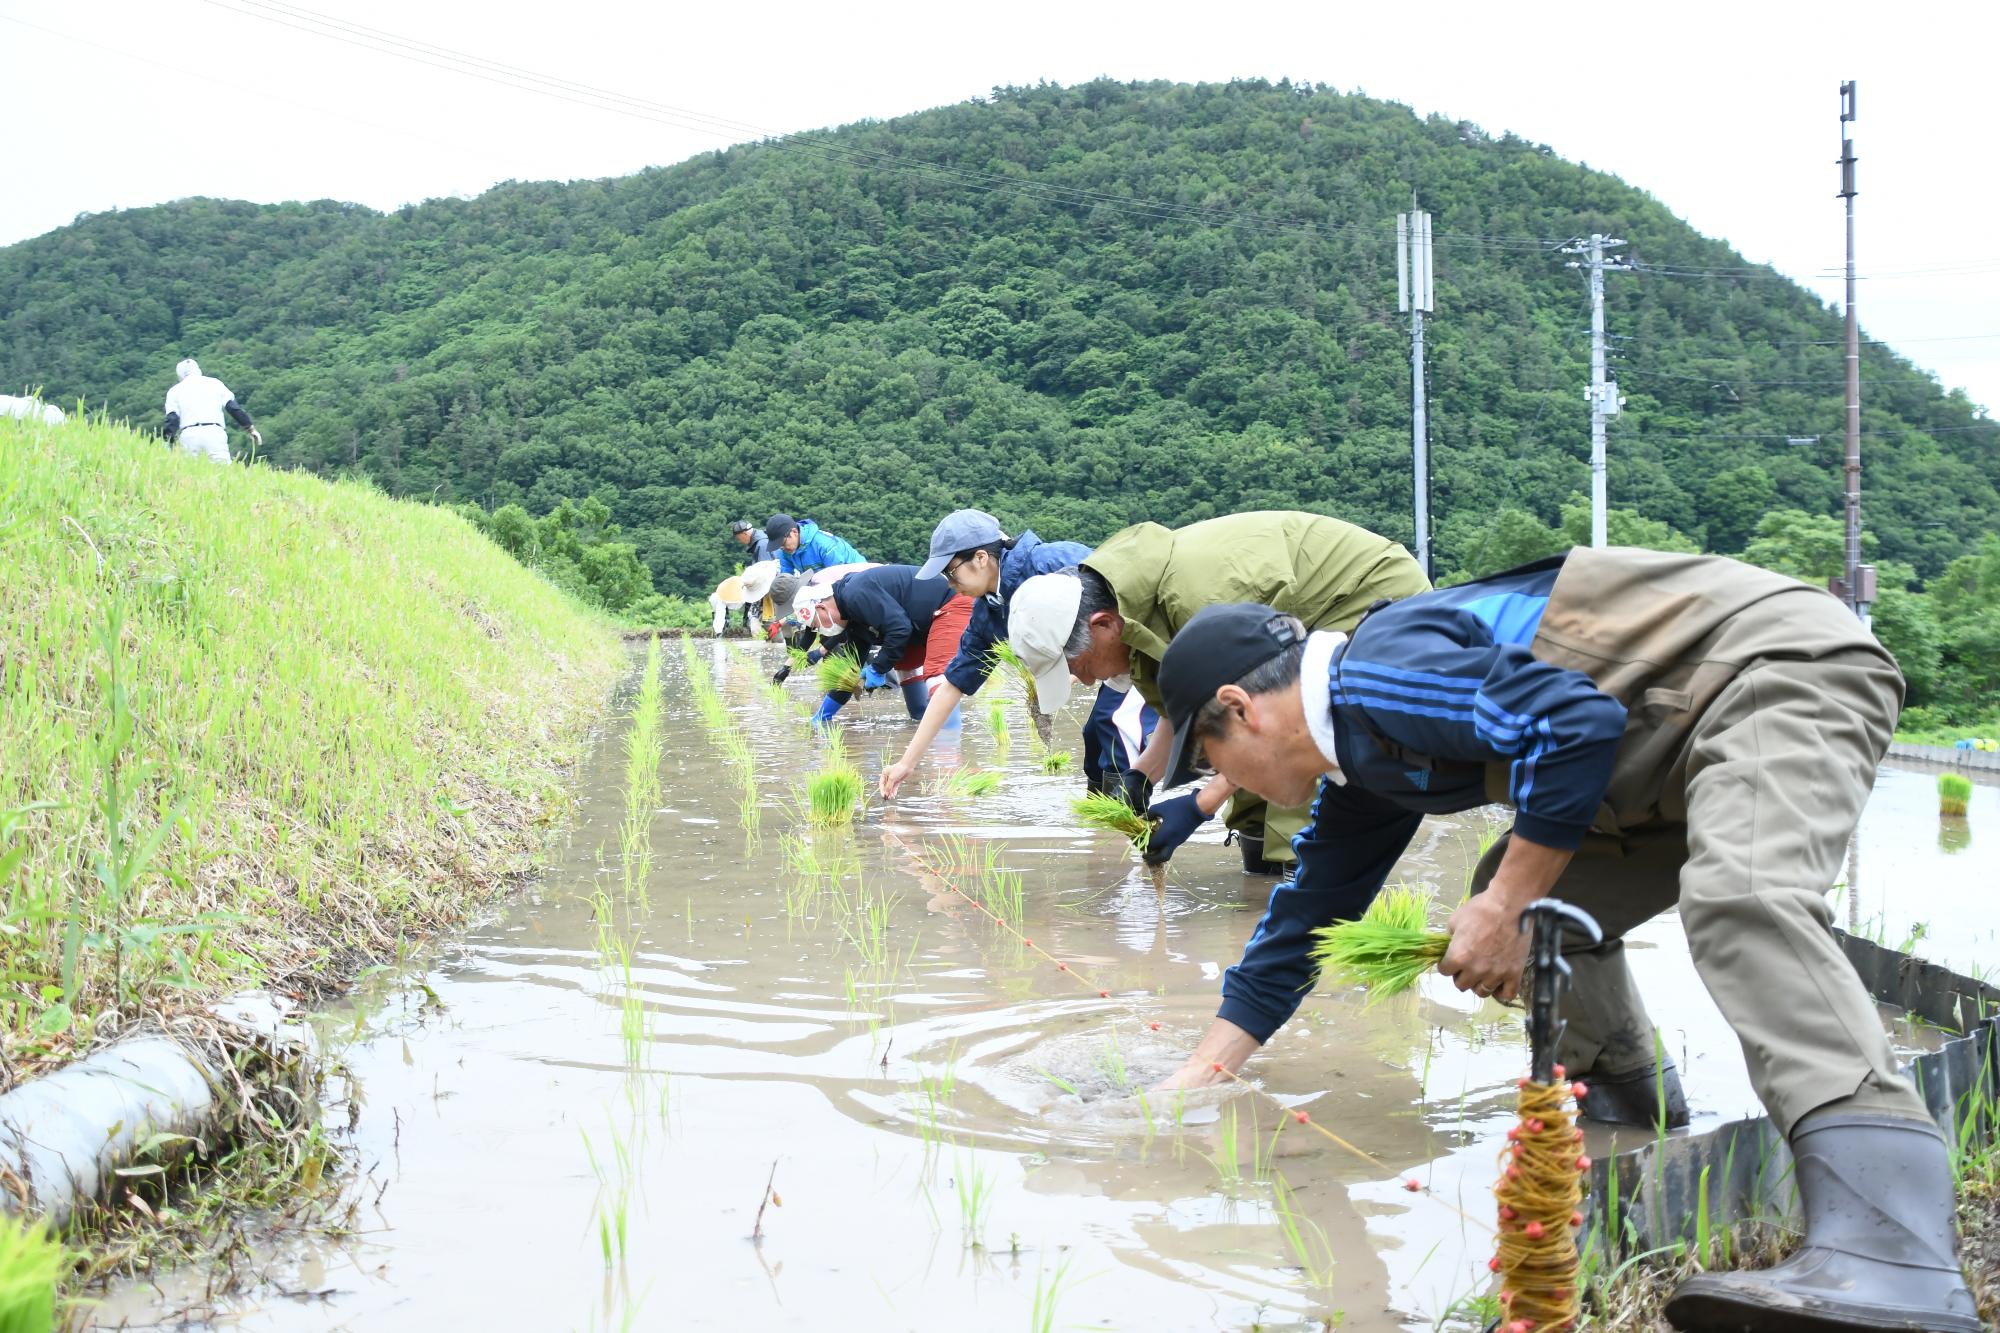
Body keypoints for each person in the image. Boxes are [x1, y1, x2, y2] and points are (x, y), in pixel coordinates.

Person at [1145, 549, 1978, 1333]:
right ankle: (1631, 1105)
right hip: (1655, 750)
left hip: (1769, 672)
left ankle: (1891, 1247)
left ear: (1242, 707)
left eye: (1208, 754)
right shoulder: (1362, 759)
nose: (1223, 782)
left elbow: (1569, 721)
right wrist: (1198, 1075)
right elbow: (1305, 922)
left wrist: (1510, 899)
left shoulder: (1377, 669)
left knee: (1740, 900)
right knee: (1538, 910)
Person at [1004, 511, 1427, 875]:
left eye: (1078, 666)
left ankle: (1306, 890)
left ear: (1102, 626)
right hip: (1300, 622)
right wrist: (1143, 773)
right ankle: (1264, 879)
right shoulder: (1128, 602)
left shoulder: (1198, 601)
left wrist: (1198, 805)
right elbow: (1191, 694)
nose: (1089, 681)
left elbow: (1258, 717)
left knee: (1294, 759)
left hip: (1369, 599)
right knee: (1256, 823)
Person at [876, 510, 1154, 802]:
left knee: (1113, 728)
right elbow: (953, 685)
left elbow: (1127, 590)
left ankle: (1135, 824)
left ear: (981, 558)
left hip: (1139, 652)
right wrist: (906, 763)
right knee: (1095, 738)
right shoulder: (989, 613)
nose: (948, 582)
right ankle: (1105, 830)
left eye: (950, 571)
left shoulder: (1052, 561)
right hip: (1107, 669)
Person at [791, 564, 974, 727]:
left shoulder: (855, 594)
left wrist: (878, 668)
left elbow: (900, 629)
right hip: (920, 622)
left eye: (817, 624)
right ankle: (921, 718)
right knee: (905, 663)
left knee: (936, 672)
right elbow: (850, 669)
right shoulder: (851, 617)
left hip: (952, 603)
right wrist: (824, 715)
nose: (821, 630)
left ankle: (948, 750)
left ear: (822, 607)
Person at [163, 359, 259, 463]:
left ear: (180, 375)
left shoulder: (174, 391)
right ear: (198, 370)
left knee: (191, 474)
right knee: (223, 472)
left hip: (189, 435)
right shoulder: (215, 383)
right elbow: (233, 407)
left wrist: (167, 443)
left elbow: (172, 419)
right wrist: (250, 428)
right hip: (214, 433)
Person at [766, 514, 865, 575]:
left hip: (856, 576)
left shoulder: (826, 545)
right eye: (778, 545)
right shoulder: (785, 551)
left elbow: (838, 579)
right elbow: (786, 578)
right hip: (822, 582)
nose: (781, 548)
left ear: (794, 532)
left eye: (782, 543)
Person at [708, 560, 779, 636]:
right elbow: (755, 607)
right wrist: (754, 619)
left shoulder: (779, 579)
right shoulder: (722, 594)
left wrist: (780, 623)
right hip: (769, 614)